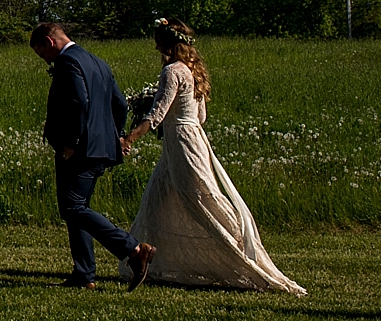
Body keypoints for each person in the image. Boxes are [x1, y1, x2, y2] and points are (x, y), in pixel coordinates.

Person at [115, 19, 305, 294]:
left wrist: (130, 137)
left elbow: (157, 114)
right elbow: (200, 116)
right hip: (189, 138)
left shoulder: (172, 71)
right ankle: (152, 262)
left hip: (182, 142)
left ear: (165, 43)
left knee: (201, 198)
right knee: (156, 199)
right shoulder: (192, 71)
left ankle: (239, 251)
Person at [33, 21, 154, 290]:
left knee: (73, 208)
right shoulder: (99, 62)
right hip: (101, 148)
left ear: (50, 43)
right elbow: (120, 103)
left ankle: (134, 250)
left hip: (80, 148)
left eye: (43, 54)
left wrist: (72, 142)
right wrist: (118, 135)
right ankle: (84, 274)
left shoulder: (68, 62)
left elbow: (78, 101)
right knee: (77, 209)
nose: (47, 61)